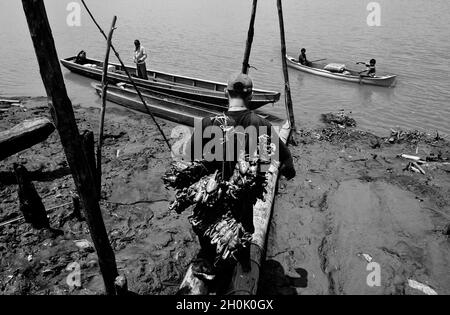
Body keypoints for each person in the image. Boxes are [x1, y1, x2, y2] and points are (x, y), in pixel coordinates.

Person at [185, 73, 296, 288]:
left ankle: (208, 262)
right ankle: (244, 263)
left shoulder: (208, 123)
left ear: (226, 93)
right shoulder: (261, 124)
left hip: (212, 199)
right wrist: (287, 170)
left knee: (205, 225)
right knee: (245, 227)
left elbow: (190, 157)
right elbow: (285, 159)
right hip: (243, 201)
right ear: (251, 96)